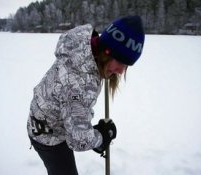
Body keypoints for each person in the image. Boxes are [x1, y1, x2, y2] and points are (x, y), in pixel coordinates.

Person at [27, 15, 145, 175]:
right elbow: (78, 140)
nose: (121, 71)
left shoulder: (85, 48)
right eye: (121, 62)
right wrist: (101, 137)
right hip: (48, 135)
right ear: (107, 51)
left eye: (126, 66)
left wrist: (85, 122)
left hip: (47, 118)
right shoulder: (79, 83)